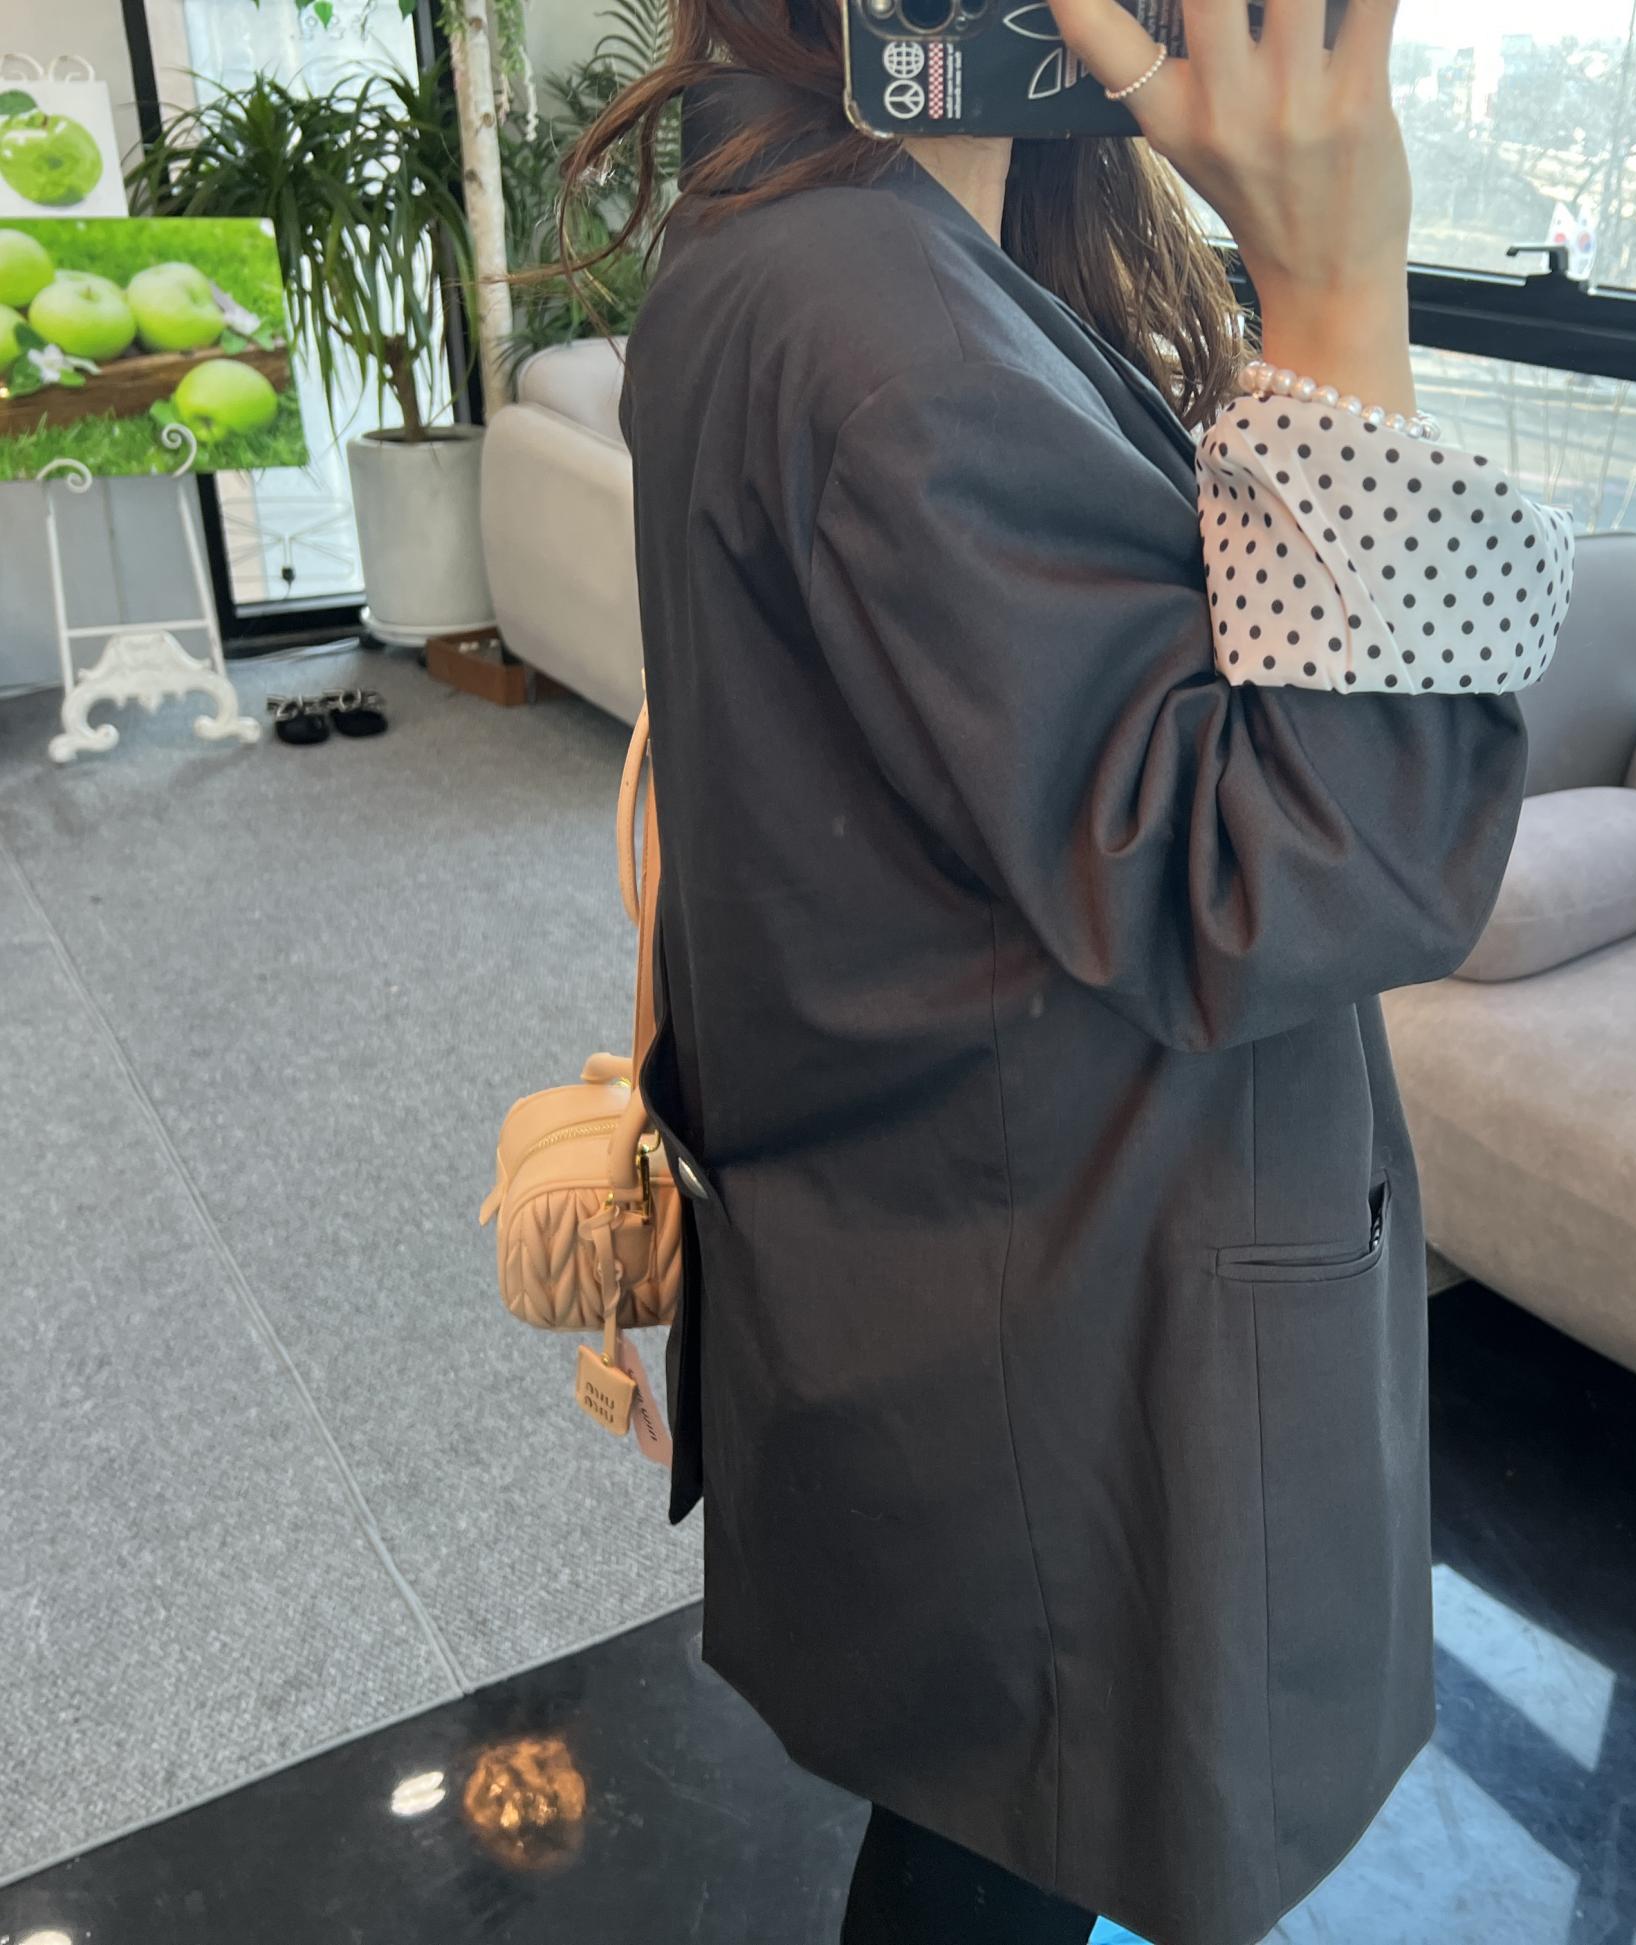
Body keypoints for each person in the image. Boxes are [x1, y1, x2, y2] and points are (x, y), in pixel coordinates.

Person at [564, 0, 1575, 1937]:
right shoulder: (877, 318)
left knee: (987, 1836)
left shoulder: (822, 241)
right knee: (1006, 1848)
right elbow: (1306, 861)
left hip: (977, 1255)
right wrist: (1337, 284)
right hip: (1065, 1318)